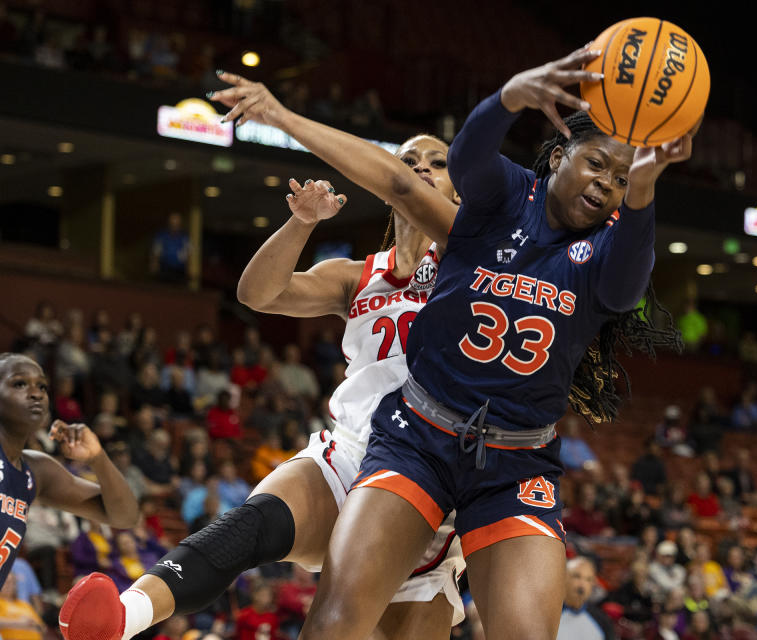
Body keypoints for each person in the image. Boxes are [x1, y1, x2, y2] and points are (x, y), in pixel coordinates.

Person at [227, 44, 691, 640]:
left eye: (621, 180)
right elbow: (456, 158)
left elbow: (631, 281)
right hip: (419, 437)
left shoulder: (607, 252)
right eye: (597, 164)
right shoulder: (502, 199)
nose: (607, 184)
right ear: (558, 157)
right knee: (337, 621)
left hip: (514, 463)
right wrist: (511, 97)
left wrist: (646, 188)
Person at [59, 89, 466, 640]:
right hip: (352, 455)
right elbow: (258, 294)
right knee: (250, 525)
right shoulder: (355, 275)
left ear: (458, 188)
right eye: (407, 162)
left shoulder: (478, 265)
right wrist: (301, 223)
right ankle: (123, 616)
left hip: (433, 477)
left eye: (437, 163)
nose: (421, 170)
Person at [0, 352, 139, 590]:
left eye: (42, 386)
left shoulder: (37, 471)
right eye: (19, 383)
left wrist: (98, 459)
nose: (36, 393)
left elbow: (124, 515)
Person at [557, 557, 615, 640]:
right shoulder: (549, 616)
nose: (582, 585)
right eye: (576, 576)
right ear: (564, 577)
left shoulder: (602, 622)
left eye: (588, 579)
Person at [150, 212, 191, 282]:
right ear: (169, 224)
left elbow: (188, 254)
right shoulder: (162, 236)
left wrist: (189, 270)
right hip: (164, 270)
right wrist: (154, 264)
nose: (175, 226)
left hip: (180, 271)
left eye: (177, 224)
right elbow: (156, 252)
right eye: (173, 224)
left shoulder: (185, 237)